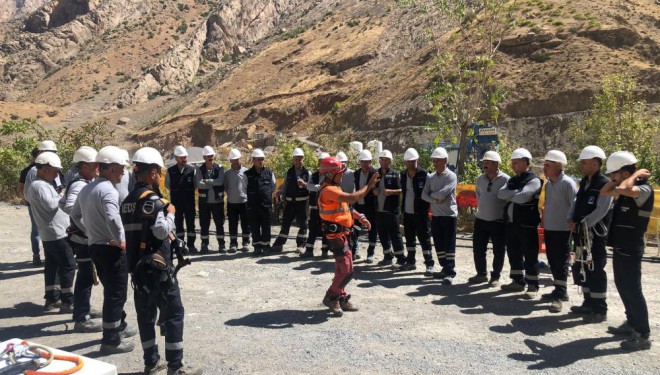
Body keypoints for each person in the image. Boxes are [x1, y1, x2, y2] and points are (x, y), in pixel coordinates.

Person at [122, 147, 203, 374]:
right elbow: (159, 231)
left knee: (146, 316)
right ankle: (176, 367)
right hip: (158, 270)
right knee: (174, 313)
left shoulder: (127, 202)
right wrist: (171, 214)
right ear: (155, 173)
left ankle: (151, 362)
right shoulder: (154, 201)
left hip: (137, 271)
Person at [71, 146, 136, 354]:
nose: (124, 173)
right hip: (110, 249)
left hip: (95, 247)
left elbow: (74, 215)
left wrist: (90, 232)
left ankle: (118, 327)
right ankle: (111, 340)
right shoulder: (108, 189)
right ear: (111, 169)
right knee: (116, 294)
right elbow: (112, 217)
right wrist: (120, 240)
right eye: (121, 169)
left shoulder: (87, 188)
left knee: (111, 291)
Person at [600, 151, 653, 351]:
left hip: (632, 246)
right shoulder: (622, 188)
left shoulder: (643, 189)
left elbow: (623, 187)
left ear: (624, 172)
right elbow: (605, 191)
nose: (611, 177)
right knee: (623, 286)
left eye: (614, 173)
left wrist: (634, 175)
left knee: (633, 289)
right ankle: (631, 323)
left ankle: (643, 335)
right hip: (621, 246)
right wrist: (622, 177)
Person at [318, 157, 379, 316]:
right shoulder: (328, 190)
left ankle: (341, 297)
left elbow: (346, 207)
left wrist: (359, 216)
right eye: (339, 172)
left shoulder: (335, 188)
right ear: (330, 174)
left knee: (341, 267)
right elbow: (352, 198)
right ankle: (331, 296)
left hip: (344, 234)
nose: (342, 175)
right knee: (347, 269)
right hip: (336, 235)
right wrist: (369, 186)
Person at [59, 146, 103, 332]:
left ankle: (82, 308)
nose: (97, 168)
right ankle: (81, 318)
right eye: (94, 165)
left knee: (86, 273)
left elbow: (62, 203)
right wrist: (88, 227)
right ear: (84, 166)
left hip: (81, 236)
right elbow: (69, 206)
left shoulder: (78, 181)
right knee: (85, 275)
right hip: (83, 238)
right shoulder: (79, 184)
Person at [567, 146, 613, 322]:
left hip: (594, 235)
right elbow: (576, 202)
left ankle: (600, 308)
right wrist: (570, 218)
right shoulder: (585, 182)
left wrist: (583, 224)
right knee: (581, 266)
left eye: (584, 162)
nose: (581, 166)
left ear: (595, 163)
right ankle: (587, 303)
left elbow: (602, 209)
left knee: (595, 268)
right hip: (580, 233)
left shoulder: (604, 183)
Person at [29, 152, 76, 314]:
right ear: (45, 169)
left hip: (50, 233)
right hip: (56, 233)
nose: (57, 175)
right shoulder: (40, 186)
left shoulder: (40, 184)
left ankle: (52, 298)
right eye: (55, 171)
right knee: (68, 265)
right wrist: (63, 196)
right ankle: (68, 301)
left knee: (53, 265)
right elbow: (50, 205)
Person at [498, 148, 543, 299]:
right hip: (511, 224)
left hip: (526, 225)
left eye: (515, 163)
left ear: (525, 163)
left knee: (530, 255)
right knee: (513, 253)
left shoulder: (534, 180)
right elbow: (500, 194)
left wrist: (513, 195)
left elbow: (523, 197)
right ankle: (517, 281)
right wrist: (517, 193)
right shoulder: (513, 180)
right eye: (512, 163)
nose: (513, 166)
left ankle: (532, 286)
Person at [540, 150, 577, 312]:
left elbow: (574, 205)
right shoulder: (548, 185)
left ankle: (560, 295)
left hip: (563, 230)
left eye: (548, 165)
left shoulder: (568, 183)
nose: (544, 168)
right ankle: (558, 289)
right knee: (553, 261)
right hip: (550, 228)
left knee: (562, 262)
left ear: (558, 166)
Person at [468, 151, 509, 287]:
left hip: (498, 221)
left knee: (499, 250)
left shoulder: (506, 179)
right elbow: (479, 196)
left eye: (488, 162)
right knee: (478, 249)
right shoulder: (480, 179)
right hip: (481, 220)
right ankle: (481, 274)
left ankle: (495, 276)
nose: (484, 165)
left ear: (496, 164)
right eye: (484, 162)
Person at [422, 147, 458, 284]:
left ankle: (450, 272)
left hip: (449, 215)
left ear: (445, 161)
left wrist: (433, 196)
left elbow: (443, 194)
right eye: (434, 160)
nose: (435, 162)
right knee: (439, 244)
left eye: (438, 160)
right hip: (436, 216)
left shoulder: (451, 176)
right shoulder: (431, 177)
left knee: (449, 245)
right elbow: (423, 195)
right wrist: (434, 199)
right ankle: (444, 268)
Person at [399, 148, 433, 273]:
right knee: (409, 239)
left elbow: (430, 191)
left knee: (424, 238)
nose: (411, 163)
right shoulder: (402, 175)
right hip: (408, 213)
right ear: (405, 162)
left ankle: (429, 264)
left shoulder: (425, 175)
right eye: (408, 161)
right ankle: (411, 262)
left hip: (421, 213)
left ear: (417, 160)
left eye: (413, 161)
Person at [272, 148, 310, 253]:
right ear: (293, 159)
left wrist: (304, 184)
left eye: (300, 158)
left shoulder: (307, 173)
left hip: (302, 202)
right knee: (285, 223)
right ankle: (279, 244)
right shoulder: (289, 172)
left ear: (303, 159)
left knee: (303, 224)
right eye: (296, 158)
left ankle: (301, 245)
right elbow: (286, 186)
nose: (298, 161)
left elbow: (311, 187)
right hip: (290, 202)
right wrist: (283, 197)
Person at [374, 149, 405, 267]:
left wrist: (391, 191)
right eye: (382, 159)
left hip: (391, 210)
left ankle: (401, 259)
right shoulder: (376, 174)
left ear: (390, 161)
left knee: (395, 234)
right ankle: (387, 257)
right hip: (379, 209)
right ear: (379, 161)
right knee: (382, 234)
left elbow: (402, 190)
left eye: (386, 160)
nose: (384, 162)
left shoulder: (396, 174)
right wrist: (374, 191)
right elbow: (370, 188)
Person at [166, 146, 198, 253]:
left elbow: (196, 185)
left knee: (191, 224)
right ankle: (180, 246)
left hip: (189, 203)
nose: (184, 159)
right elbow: (167, 185)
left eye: (185, 157)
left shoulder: (192, 170)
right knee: (179, 225)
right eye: (182, 157)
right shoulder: (170, 171)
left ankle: (191, 245)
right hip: (176, 203)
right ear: (176, 158)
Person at [245, 148, 276, 256]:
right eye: (258, 159)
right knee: (254, 226)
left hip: (265, 205)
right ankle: (257, 247)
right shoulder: (247, 174)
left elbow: (273, 186)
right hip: (252, 206)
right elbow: (244, 188)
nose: (260, 161)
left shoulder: (269, 173)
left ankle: (266, 246)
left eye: (262, 159)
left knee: (266, 226)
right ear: (253, 160)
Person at [196, 146, 225, 253]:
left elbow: (220, 181)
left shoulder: (220, 168)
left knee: (219, 223)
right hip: (204, 202)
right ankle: (204, 244)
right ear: (204, 157)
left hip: (217, 201)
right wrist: (213, 181)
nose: (210, 157)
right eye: (208, 156)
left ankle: (222, 245)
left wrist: (207, 181)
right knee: (204, 224)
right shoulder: (199, 169)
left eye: (211, 155)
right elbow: (199, 184)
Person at [301, 152, 330, 258]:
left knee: (326, 229)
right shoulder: (314, 175)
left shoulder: (331, 177)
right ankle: (309, 250)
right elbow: (309, 187)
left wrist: (318, 187)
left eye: (323, 162)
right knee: (312, 228)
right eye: (320, 162)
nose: (321, 164)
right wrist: (320, 186)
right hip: (314, 207)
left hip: (326, 208)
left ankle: (325, 251)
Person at [352, 149, 379, 263]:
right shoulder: (356, 173)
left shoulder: (375, 173)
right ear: (360, 162)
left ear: (370, 162)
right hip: (359, 205)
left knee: (371, 229)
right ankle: (355, 250)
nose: (364, 164)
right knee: (355, 228)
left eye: (367, 162)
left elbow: (377, 190)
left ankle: (370, 253)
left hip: (370, 206)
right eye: (362, 161)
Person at [18, 147, 42, 266]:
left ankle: (37, 256)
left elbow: (21, 190)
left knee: (36, 230)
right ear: (34, 157)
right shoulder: (28, 170)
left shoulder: (26, 170)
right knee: (37, 230)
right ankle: (37, 255)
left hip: (32, 204)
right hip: (34, 204)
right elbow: (21, 189)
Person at [225, 148, 251, 253]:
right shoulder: (227, 174)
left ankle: (246, 242)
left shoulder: (246, 172)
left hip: (244, 202)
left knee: (246, 223)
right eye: (233, 160)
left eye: (237, 159)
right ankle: (233, 243)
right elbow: (225, 188)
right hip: (232, 203)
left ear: (240, 159)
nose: (235, 162)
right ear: (230, 161)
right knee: (232, 224)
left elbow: (249, 187)